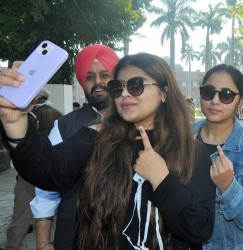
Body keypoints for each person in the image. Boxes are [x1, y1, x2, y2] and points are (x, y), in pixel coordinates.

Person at [0, 53, 215, 249]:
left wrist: (162, 179)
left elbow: (200, 229)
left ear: (163, 93)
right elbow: (48, 170)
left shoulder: (192, 151)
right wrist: (15, 123)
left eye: (136, 85)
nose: (124, 94)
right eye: (117, 87)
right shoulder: (97, 137)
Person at [29, 44, 119, 250]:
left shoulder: (135, 120)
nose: (97, 82)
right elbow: (46, 187)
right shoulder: (64, 125)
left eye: (105, 74)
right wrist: (43, 243)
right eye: (89, 77)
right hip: (74, 236)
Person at [192, 64, 243, 250]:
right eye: (208, 92)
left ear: (241, 99)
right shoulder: (183, 139)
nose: (214, 100)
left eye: (226, 94)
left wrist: (228, 186)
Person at [4, 88, 63, 250]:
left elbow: (21, 146)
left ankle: (12, 246)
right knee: (59, 215)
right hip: (57, 169)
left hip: (32, 172)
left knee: (21, 216)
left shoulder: (30, 115)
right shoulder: (58, 113)